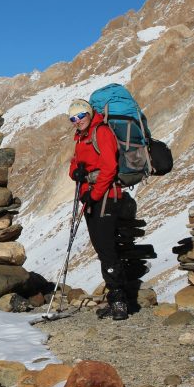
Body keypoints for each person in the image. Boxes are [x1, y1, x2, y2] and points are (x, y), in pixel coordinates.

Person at [66, 99, 129, 321]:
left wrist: (93, 195)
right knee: (103, 249)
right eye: (73, 118)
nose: (77, 121)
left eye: (80, 116)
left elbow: (110, 167)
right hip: (91, 198)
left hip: (105, 198)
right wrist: (76, 172)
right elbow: (75, 163)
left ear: (89, 114)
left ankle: (120, 302)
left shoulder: (101, 132)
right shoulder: (81, 137)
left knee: (107, 249)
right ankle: (115, 299)